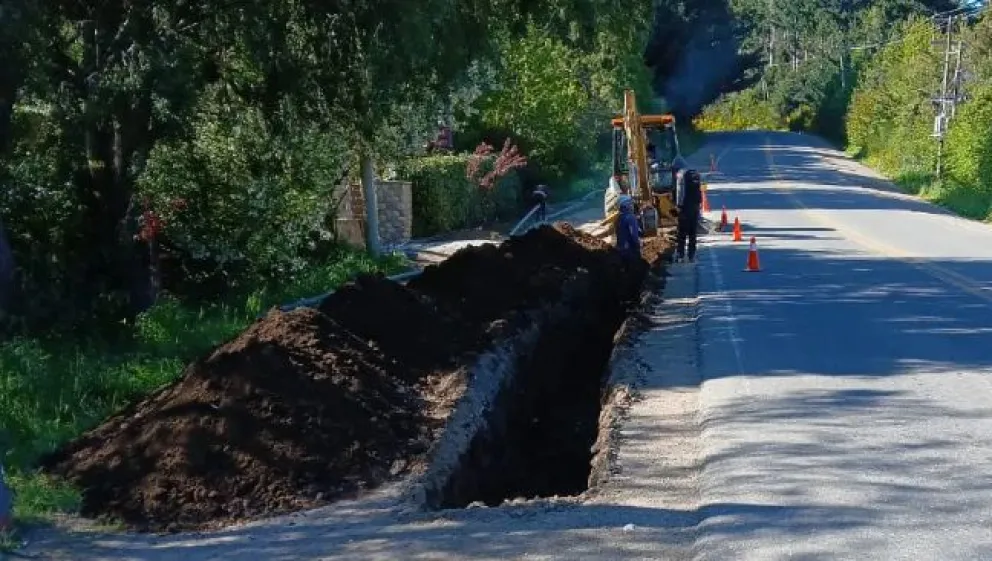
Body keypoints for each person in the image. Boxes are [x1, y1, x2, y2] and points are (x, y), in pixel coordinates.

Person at [674, 168, 702, 263]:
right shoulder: (695, 175)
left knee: (682, 233)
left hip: (685, 209)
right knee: (692, 234)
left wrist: (679, 206)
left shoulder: (681, 176)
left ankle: (680, 255)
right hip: (695, 208)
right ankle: (692, 255)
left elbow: (680, 193)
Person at [615, 195, 641, 261]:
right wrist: (638, 245)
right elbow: (634, 235)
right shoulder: (631, 217)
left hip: (621, 251)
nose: (632, 205)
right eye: (631, 203)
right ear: (626, 205)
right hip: (630, 251)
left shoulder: (619, 218)